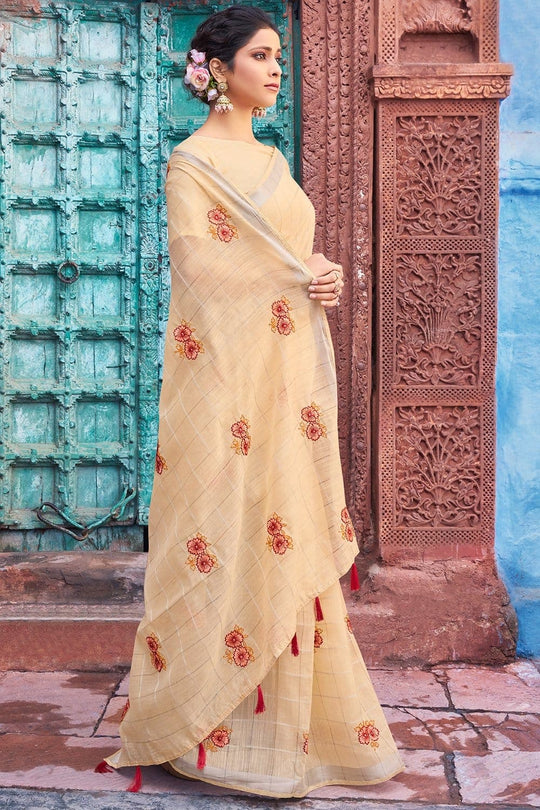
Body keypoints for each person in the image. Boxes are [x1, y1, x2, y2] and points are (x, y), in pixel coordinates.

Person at [97, 5, 404, 798]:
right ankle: (199, 722)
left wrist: (322, 274)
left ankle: (287, 731)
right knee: (217, 528)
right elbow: (198, 266)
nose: (275, 70)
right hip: (225, 384)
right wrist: (294, 275)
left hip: (284, 383)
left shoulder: (272, 158)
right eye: (261, 57)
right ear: (218, 70)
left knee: (284, 525)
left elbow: (289, 256)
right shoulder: (192, 163)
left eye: (278, 57)